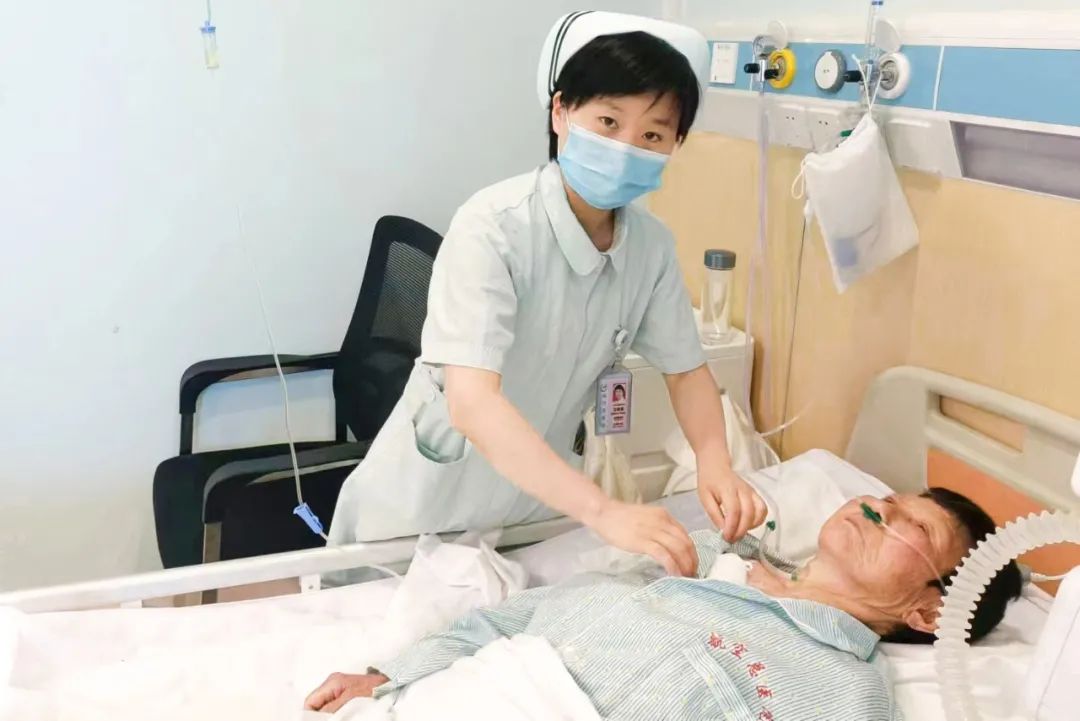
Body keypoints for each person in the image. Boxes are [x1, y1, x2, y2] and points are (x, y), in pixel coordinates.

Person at [329, 16, 766, 576]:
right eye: (608, 122)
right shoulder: (493, 227)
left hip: (532, 516)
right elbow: (473, 402)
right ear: (561, 112)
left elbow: (686, 372)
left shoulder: (650, 248)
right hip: (422, 517)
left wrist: (715, 462)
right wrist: (603, 510)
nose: (626, 147)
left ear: (674, 145)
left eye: (653, 136)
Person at [307, 489, 1023, 718]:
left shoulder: (847, 687)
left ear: (931, 611)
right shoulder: (707, 558)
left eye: (912, 526)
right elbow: (517, 614)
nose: (876, 509)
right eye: (886, 498)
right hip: (470, 689)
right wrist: (390, 675)